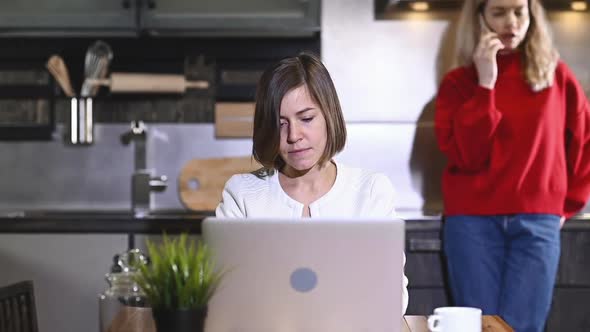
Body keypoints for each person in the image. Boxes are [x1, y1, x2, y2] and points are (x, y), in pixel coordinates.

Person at [434, 0, 590, 330]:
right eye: (499, 12)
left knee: (524, 328)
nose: (511, 22)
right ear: (479, 18)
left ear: (532, 14)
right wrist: (485, 84)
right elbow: (467, 155)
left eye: (519, 11)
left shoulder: (555, 75)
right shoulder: (458, 84)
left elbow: (585, 140)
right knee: (478, 327)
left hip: (538, 220)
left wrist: (566, 206)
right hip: (471, 224)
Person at [215, 52, 409, 314]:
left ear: (329, 115)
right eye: (280, 124)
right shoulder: (242, 195)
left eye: (306, 118)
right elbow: (227, 295)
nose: (294, 135)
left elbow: (391, 297)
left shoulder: (371, 191)